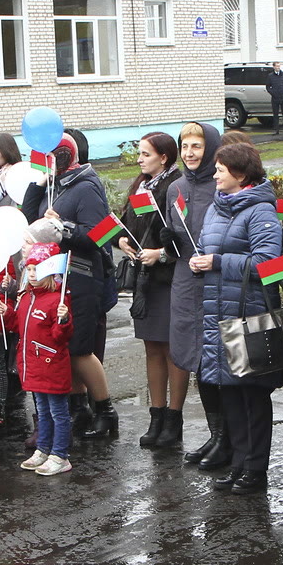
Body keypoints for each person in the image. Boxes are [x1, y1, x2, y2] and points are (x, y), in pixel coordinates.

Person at [188, 141, 283, 492]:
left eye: (220, 169)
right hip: (217, 313)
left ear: (240, 175)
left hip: (249, 315)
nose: (214, 174)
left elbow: (268, 264)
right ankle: (238, 463)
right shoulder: (217, 207)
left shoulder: (260, 211)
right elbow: (205, 247)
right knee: (229, 393)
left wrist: (216, 263)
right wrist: (199, 261)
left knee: (251, 396)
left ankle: (256, 470)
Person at [20, 136, 118, 439]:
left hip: (82, 276)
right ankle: (78, 410)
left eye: (52, 156)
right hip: (56, 276)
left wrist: (63, 227)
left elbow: (99, 235)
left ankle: (105, 410)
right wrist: (37, 183)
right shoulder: (56, 185)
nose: (48, 161)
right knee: (62, 348)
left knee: (80, 349)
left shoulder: (85, 186)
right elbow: (29, 218)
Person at [119, 131, 185, 449]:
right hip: (145, 280)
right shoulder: (140, 185)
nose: (140, 159)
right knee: (152, 348)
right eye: (140, 153)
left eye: (145, 154)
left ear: (164, 157)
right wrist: (121, 240)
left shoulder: (175, 185)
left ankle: (174, 418)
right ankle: (156, 414)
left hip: (169, 279)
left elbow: (186, 233)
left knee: (173, 349)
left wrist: (160, 253)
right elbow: (124, 222)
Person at [169, 123, 228, 469]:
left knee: (217, 363)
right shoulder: (175, 187)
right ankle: (215, 433)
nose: (190, 152)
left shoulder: (222, 185)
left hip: (215, 286)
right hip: (184, 285)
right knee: (196, 361)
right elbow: (178, 235)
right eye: (185, 146)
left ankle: (228, 437)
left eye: (197, 146)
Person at [16, 243, 76, 475]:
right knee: (42, 411)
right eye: (29, 269)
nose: (32, 275)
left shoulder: (56, 300)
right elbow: (17, 326)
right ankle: (43, 448)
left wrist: (64, 320)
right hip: (33, 366)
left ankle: (60, 454)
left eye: (37, 269)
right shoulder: (26, 297)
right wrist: (7, 312)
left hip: (51, 365)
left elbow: (61, 337)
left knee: (58, 412)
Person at [265, 61, 283, 138]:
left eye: (279, 66)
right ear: (274, 67)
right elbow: (268, 86)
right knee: (275, 114)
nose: (278, 68)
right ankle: (276, 129)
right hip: (275, 98)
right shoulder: (270, 76)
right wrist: (273, 93)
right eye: (277, 66)